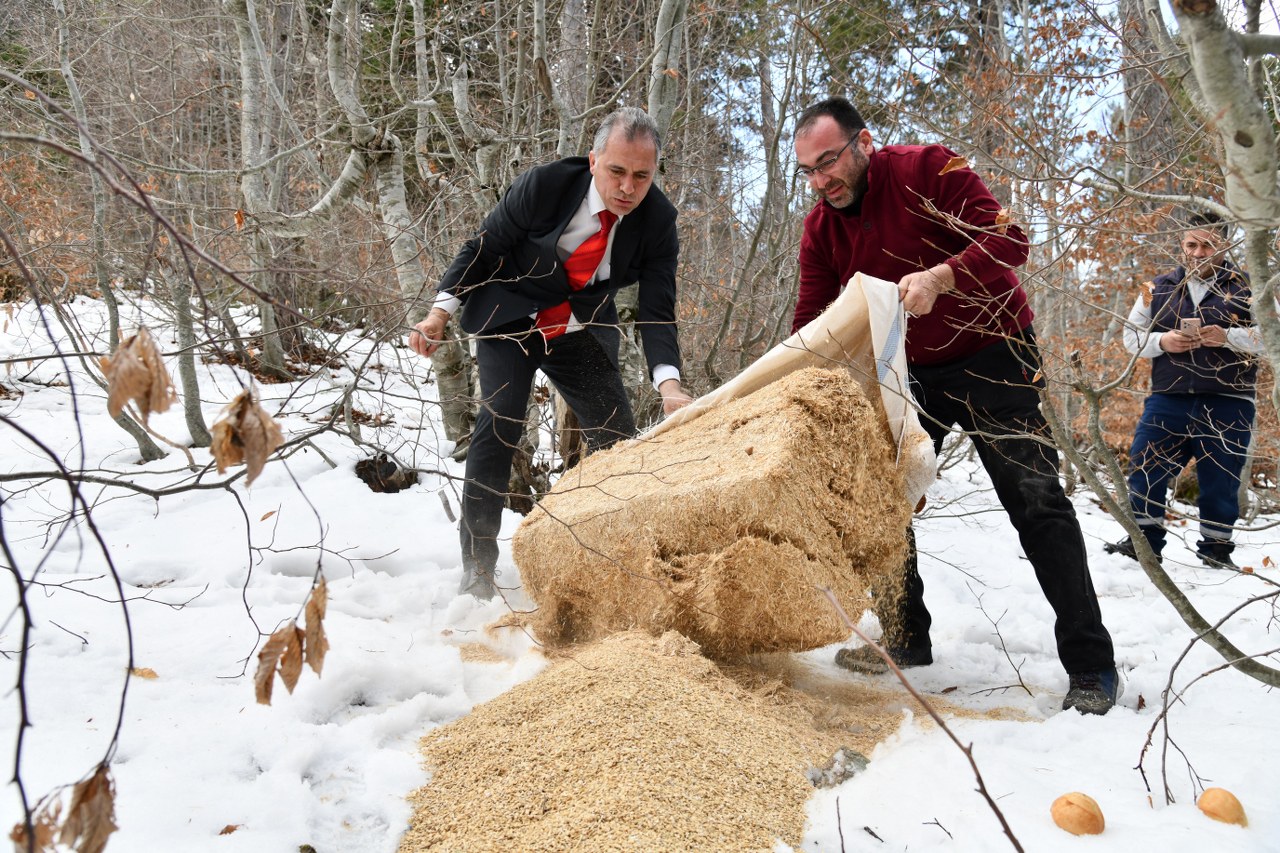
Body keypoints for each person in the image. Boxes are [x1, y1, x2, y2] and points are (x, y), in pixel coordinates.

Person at [790, 96, 1119, 714]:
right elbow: (811, 323)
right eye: (807, 170)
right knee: (882, 504)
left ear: (865, 144)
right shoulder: (820, 228)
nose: (820, 180)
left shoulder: (928, 168)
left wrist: (941, 277)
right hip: (910, 374)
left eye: (829, 162)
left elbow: (1010, 240)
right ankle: (908, 638)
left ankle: (1091, 665)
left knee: (1037, 502)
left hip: (996, 352)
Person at [409, 107, 694, 599]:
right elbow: (485, 246)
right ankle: (477, 567)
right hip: (511, 315)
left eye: (642, 176)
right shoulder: (544, 185)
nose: (628, 187)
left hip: (577, 327)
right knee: (500, 421)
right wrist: (440, 313)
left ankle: (621, 564)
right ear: (593, 161)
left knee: (616, 438)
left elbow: (656, 310)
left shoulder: (658, 223)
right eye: (617, 171)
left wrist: (669, 385)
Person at [1104, 213, 1259, 570]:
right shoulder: (1156, 286)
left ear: (1225, 245)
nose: (1199, 252)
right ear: (1181, 245)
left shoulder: (1251, 288)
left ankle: (1216, 551)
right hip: (1168, 396)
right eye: (1192, 244)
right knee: (1145, 465)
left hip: (1229, 399)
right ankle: (1143, 544)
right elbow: (1131, 337)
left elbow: (1275, 337)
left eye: (1209, 244)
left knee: (1220, 479)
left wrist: (1229, 337)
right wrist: (1163, 340)